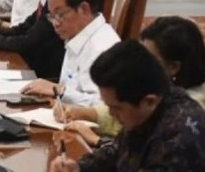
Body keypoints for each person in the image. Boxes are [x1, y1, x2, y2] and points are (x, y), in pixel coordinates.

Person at [39, 40, 205, 172]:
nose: (110, 114)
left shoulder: (182, 128)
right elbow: (119, 150)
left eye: (116, 108)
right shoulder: (149, 106)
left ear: (148, 101)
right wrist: (79, 167)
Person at [59, 16, 205, 146]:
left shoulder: (190, 112)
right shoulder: (161, 90)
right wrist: (84, 113)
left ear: (173, 67)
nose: (139, 63)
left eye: (148, 59)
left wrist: (96, 140)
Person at [20, 0, 121, 106]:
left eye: (60, 14)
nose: (55, 23)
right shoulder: (77, 35)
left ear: (84, 9)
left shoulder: (102, 48)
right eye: (52, 16)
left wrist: (59, 91)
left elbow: (104, 107)